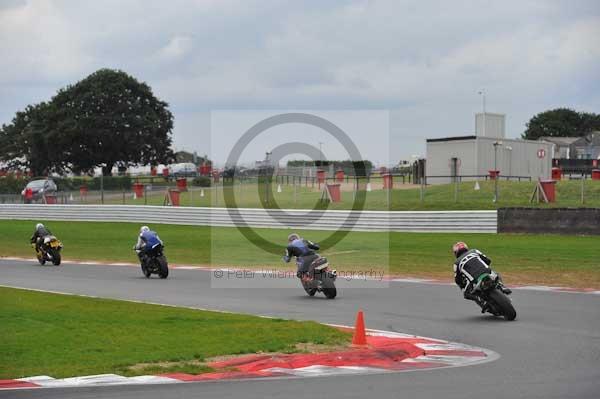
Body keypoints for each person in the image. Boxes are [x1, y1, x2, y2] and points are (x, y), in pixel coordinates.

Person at [452, 241, 511, 311]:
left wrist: (462, 285)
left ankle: (482, 301)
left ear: (456, 252)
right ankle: (502, 286)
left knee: (466, 294)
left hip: (474, 279)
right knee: (495, 273)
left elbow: (457, 279)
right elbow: (488, 260)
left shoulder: (456, 263)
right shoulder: (474, 251)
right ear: (466, 248)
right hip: (487, 271)